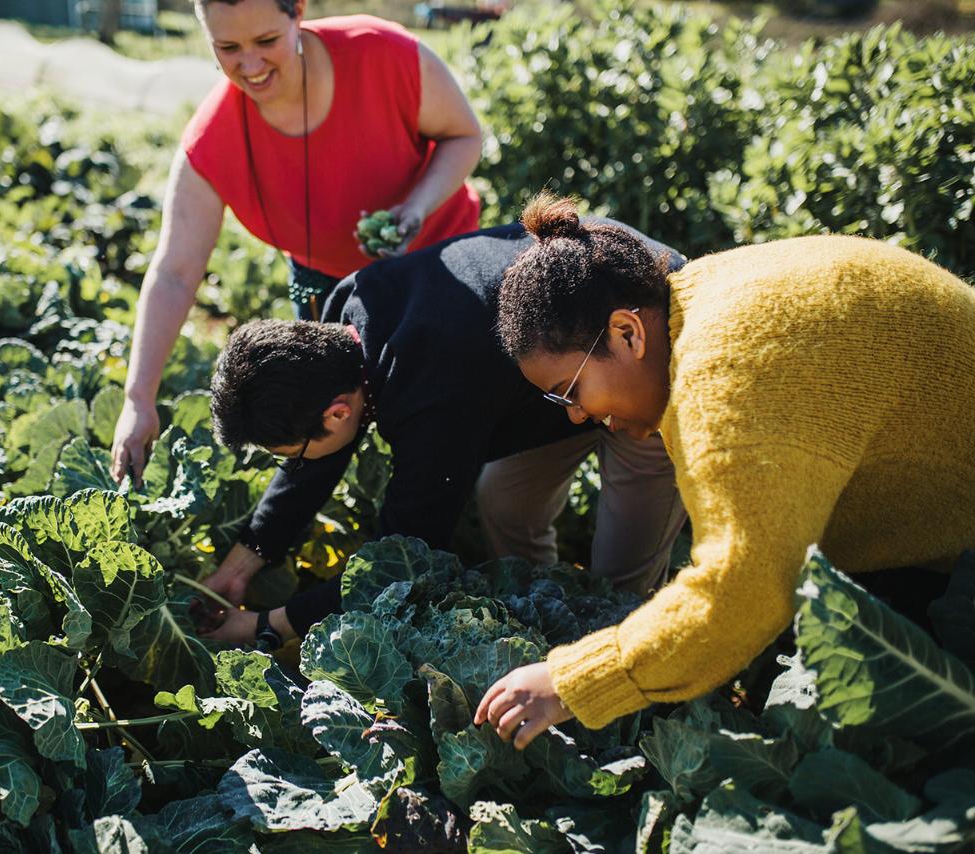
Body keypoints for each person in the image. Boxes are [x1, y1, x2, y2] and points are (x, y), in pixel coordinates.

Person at [473, 194, 975, 749]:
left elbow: (742, 592)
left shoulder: (724, 379)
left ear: (627, 333)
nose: (575, 415)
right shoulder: (699, 302)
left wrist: (569, 683)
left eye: (571, 389)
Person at [196, 219, 690, 646]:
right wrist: (240, 568)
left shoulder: (431, 396)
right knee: (505, 504)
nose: (298, 463)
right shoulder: (344, 318)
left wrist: (268, 624)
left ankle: (623, 656)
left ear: (338, 413)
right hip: (547, 382)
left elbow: (403, 553)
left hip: (625, 353)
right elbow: (315, 459)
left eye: (295, 452)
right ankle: (554, 626)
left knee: (619, 578)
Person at [109, 0, 483, 485]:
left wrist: (416, 207)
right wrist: (138, 399)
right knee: (323, 423)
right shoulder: (212, 142)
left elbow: (464, 135)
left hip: (439, 262)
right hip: (326, 283)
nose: (250, 65)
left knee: (439, 419)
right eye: (227, 47)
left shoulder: (382, 55)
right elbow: (175, 273)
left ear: (298, 12)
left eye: (266, 42)